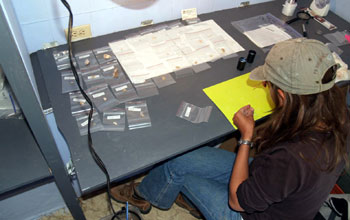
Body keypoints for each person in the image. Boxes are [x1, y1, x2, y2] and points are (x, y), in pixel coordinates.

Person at [111, 38, 349, 219]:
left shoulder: (294, 157)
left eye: (267, 84)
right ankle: (160, 196)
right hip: (270, 181)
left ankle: (153, 195)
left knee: (176, 170)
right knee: (180, 160)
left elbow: (238, 201)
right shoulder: (337, 117)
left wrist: (246, 138)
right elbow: (276, 172)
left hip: (249, 212)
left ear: (282, 96)